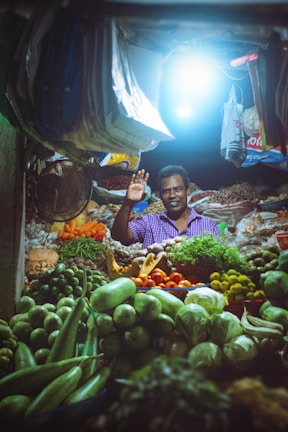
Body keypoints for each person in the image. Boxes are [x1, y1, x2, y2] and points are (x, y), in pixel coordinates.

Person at [111, 165, 220, 248]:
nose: (172, 195)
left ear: (187, 191)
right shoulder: (150, 222)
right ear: (160, 195)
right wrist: (128, 202)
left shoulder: (207, 225)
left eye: (178, 189)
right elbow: (119, 237)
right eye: (166, 191)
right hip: (154, 278)